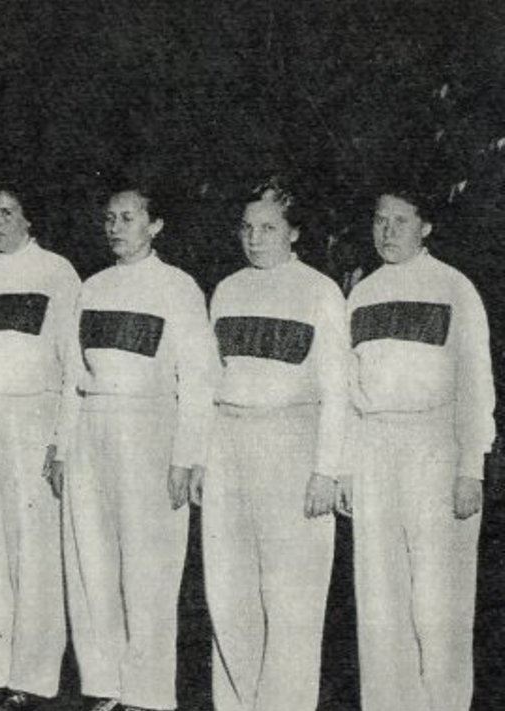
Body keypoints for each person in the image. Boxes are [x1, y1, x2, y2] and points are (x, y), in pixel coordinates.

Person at [194, 181, 346, 711]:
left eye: (269, 228)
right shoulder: (228, 289)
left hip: (292, 444)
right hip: (229, 444)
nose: (255, 239)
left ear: (295, 232)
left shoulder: (320, 291)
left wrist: (327, 469)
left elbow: (337, 388)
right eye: (247, 228)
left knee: (291, 596)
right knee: (230, 589)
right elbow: (210, 380)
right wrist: (200, 457)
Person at [65, 186, 216, 711]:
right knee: (93, 560)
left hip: (150, 426)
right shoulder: (93, 286)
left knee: (148, 565)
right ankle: (105, 685)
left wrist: (186, 456)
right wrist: (62, 448)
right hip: (91, 427)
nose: (115, 226)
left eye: (128, 217)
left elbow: (199, 380)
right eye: (109, 218)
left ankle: (148, 694)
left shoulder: (179, 288)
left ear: (155, 225)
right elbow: (71, 376)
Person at [341, 188, 492, 711]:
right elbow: (345, 390)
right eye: (379, 220)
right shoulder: (360, 294)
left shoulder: (455, 287)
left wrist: (470, 466)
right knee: (380, 595)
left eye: (399, 221)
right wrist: (345, 468)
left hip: (435, 447)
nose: (386, 231)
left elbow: (476, 383)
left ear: (425, 227)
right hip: (372, 449)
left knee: (438, 597)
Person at [0, 186, 79, 711]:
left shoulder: (58, 273)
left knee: (34, 553)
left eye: (8, 213)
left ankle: (30, 677)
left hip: (33, 416)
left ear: (31, 219)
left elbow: (74, 366)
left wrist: (61, 441)